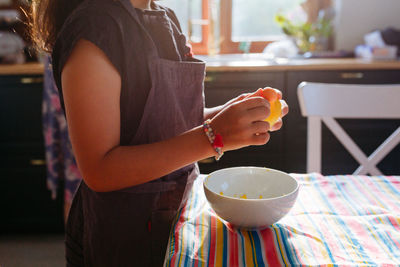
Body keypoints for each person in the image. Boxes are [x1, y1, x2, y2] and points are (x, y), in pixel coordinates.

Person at [30, 0, 288, 265]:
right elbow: (100, 169)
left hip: (178, 214)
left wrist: (230, 114)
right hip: (125, 234)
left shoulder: (165, 19)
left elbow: (165, 120)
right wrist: (213, 136)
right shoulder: (94, 31)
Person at [42, 55, 82, 222]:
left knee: (73, 184)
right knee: (76, 184)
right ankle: (75, 246)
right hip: (71, 90)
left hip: (65, 85)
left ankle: (73, 246)